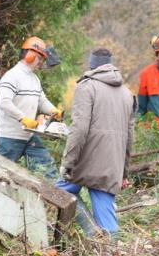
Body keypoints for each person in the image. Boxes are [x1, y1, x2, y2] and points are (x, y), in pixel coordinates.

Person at [57, 48, 135, 238]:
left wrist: (68, 163)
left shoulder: (87, 87)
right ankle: (111, 253)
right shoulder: (127, 93)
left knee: (60, 192)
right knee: (107, 217)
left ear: (91, 65)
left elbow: (79, 129)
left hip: (87, 161)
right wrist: (123, 171)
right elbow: (130, 137)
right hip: (112, 164)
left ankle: (92, 231)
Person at [0, 36, 62, 178]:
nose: (41, 62)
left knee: (47, 169)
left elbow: (41, 100)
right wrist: (22, 118)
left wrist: (53, 110)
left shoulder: (34, 79)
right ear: (30, 55)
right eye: (40, 58)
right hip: (10, 136)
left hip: (29, 135)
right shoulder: (12, 76)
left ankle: (54, 194)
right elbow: (4, 102)